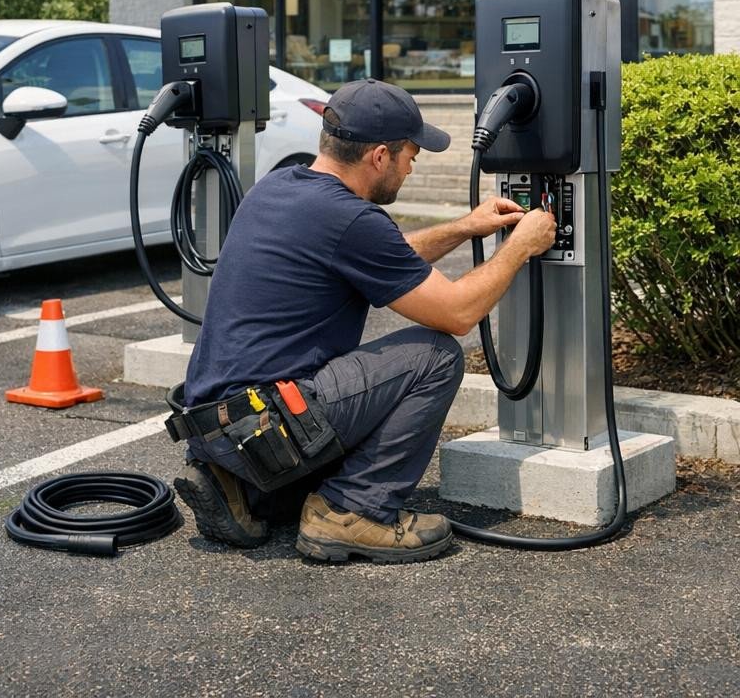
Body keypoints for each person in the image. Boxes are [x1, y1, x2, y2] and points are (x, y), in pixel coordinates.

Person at [173, 78, 558, 563]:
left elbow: (383, 259)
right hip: (270, 422)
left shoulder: (280, 186)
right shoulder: (352, 220)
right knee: (434, 356)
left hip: (221, 428)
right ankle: (352, 512)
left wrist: (465, 227)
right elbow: (458, 313)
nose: (413, 166)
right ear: (380, 156)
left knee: (325, 396)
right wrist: (521, 246)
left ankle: (240, 488)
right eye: (411, 155)